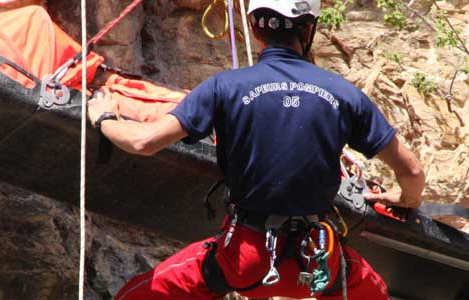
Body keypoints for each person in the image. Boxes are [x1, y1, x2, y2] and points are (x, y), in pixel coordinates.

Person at [89, 2, 421, 299]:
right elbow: (412, 172)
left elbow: (143, 142)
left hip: (245, 259)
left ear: (254, 29)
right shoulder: (345, 96)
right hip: (317, 258)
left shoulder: (225, 87)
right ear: (308, 30)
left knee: (140, 294)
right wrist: (406, 198)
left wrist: (103, 118)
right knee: (372, 291)